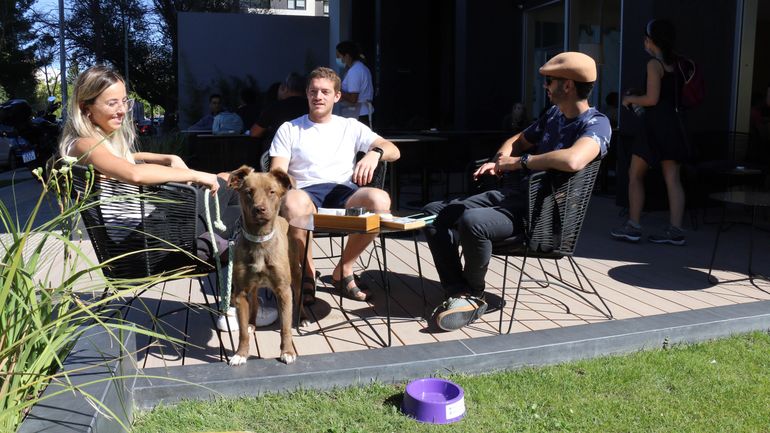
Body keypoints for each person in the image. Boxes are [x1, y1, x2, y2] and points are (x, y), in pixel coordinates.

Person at [422, 52, 611, 331]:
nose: (545, 87)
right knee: (433, 213)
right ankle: (458, 291)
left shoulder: (596, 123)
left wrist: (520, 163)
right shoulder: (554, 115)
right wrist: (499, 162)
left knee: (472, 222)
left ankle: (473, 294)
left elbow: (574, 160)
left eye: (549, 81)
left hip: (542, 214)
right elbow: (519, 141)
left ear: (568, 85)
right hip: (515, 197)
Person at [269, 67, 400, 304]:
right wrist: (289, 188)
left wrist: (374, 153)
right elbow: (277, 174)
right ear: (307, 94)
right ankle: (308, 274)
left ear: (337, 96)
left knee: (380, 201)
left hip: (344, 191)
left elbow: (394, 150)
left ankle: (344, 270)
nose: (318, 96)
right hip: (305, 192)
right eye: (313, 91)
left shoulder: (350, 126)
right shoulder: (290, 129)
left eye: (325, 92)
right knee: (292, 200)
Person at [610, 19, 688, 246]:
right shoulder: (677, 64)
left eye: (646, 36)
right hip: (673, 126)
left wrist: (629, 99)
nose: (644, 40)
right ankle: (676, 230)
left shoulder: (654, 64)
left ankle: (633, 226)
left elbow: (652, 99)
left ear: (653, 40)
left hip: (654, 127)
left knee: (635, 175)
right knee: (672, 179)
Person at [249, 73, 307, 143]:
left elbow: (254, 133)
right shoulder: (313, 107)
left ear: (285, 88)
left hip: (279, 150)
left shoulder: (274, 107)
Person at [335, 40, 374, 126]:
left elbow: (353, 99)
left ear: (347, 56)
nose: (337, 59)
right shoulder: (360, 68)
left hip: (359, 115)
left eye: (338, 56)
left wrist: (337, 90)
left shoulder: (355, 71)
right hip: (361, 113)